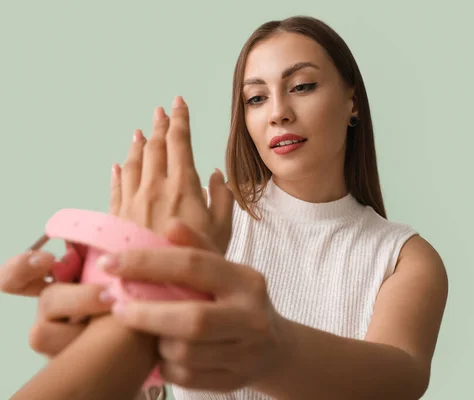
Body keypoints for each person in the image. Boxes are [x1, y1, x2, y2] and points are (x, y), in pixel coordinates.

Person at [0, 15, 448, 400]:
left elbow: (400, 378)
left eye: (302, 86)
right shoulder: (208, 222)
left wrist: (271, 349)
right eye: (256, 97)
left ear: (352, 101)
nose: (278, 112)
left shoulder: (404, 258)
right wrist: (106, 337)